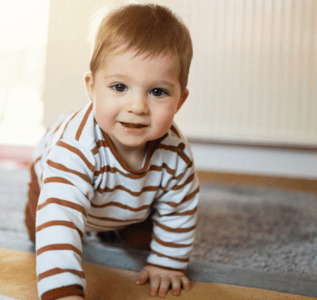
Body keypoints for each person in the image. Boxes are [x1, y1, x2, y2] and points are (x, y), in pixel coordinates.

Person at [24, 3, 199, 300]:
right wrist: (63, 292)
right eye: (119, 87)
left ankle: (114, 224)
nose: (137, 107)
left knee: (145, 240)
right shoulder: (75, 147)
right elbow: (60, 216)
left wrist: (166, 263)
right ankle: (95, 223)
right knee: (45, 232)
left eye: (157, 92)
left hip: (127, 198)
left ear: (179, 101)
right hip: (51, 186)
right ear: (92, 88)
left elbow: (179, 208)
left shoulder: (176, 155)